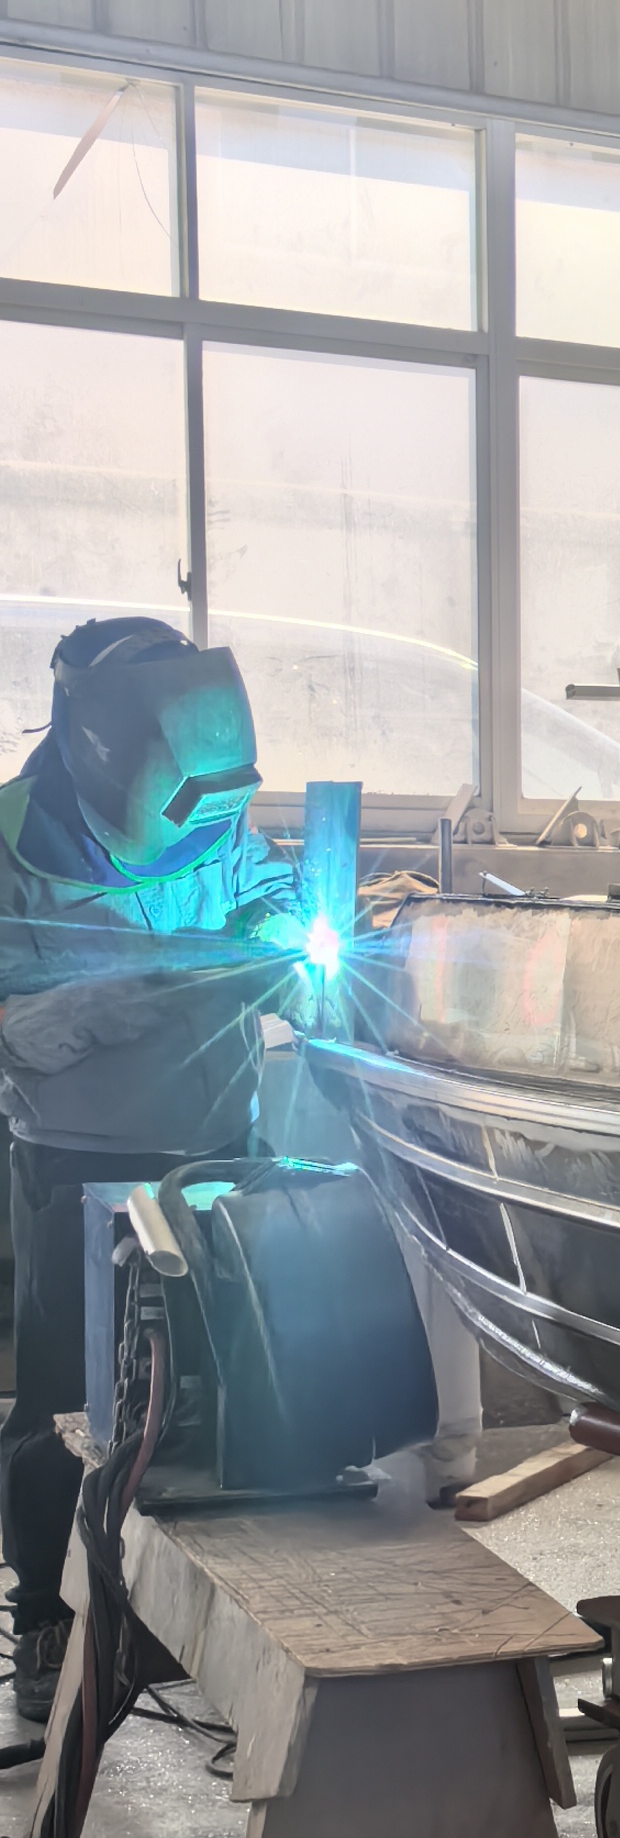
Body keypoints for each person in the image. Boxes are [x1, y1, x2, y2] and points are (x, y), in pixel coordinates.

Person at [0, 617, 299, 1719]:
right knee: (67, 1403)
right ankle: (46, 1615)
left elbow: (264, 884)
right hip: (83, 1158)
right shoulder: (11, 838)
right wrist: (84, 1012)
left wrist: (283, 934)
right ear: (92, 743)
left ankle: (199, 1616)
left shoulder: (211, 804)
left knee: (218, 1389)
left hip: (219, 1143)